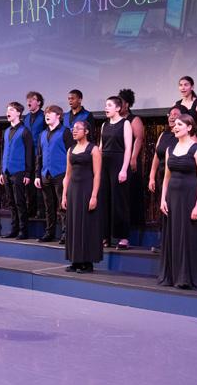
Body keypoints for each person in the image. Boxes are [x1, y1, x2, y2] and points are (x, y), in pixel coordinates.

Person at [158, 114, 197, 289]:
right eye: (175, 125)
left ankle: (186, 277)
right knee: (173, 235)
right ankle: (172, 275)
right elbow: (166, 177)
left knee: (187, 236)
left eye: (180, 124)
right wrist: (162, 199)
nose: (175, 127)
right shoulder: (170, 149)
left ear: (189, 127)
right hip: (172, 198)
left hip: (189, 198)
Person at [62, 120, 102, 273]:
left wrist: (94, 196)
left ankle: (87, 262)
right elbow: (67, 175)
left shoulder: (93, 149)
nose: (74, 130)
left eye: (78, 128)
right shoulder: (70, 150)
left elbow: (97, 174)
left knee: (87, 224)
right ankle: (76, 260)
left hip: (87, 190)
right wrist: (64, 195)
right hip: (73, 191)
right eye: (73, 128)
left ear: (86, 131)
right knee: (74, 224)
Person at [148, 105, 187, 252]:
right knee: (164, 208)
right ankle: (165, 242)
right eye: (170, 114)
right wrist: (152, 176)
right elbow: (156, 156)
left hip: (177, 177)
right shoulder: (163, 135)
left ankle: (177, 243)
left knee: (175, 209)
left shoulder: (184, 136)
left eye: (175, 114)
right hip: (162, 176)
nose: (171, 116)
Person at [34, 105, 74, 244]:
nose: (47, 115)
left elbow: (71, 154)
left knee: (63, 205)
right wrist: (37, 175)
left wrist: (69, 174)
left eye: (50, 113)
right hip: (45, 174)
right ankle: (49, 232)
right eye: (46, 113)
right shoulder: (42, 134)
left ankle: (65, 234)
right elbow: (39, 156)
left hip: (61, 173)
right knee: (48, 206)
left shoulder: (65, 132)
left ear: (58, 116)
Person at [99, 96, 132, 249]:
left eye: (109, 105)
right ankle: (105, 236)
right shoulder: (104, 125)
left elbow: (128, 148)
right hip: (104, 164)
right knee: (104, 200)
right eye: (106, 105)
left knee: (119, 201)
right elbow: (101, 147)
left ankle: (123, 237)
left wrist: (124, 169)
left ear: (118, 108)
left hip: (119, 163)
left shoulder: (125, 123)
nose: (106, 108)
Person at [0, 102, 33, 240]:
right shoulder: (6, 131)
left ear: (18, 113)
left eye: (11, 110)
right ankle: (14, 229)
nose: (8, 112)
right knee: (11, 203)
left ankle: (23, 231)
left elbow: (29, 153)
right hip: (7, 171)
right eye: (7, 110)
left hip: (19, 171)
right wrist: (2, 171)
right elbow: (4, 152)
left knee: (20, 202)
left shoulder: (25, 131)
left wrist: (28, 173)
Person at [118, 88, 145, 228]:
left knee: (130, 192)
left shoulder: (134, 119)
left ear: (127, 104)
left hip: (129, 160)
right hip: (117, 160)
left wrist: (133, 158)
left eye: (120, 103)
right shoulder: (114, 120)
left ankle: (132, 225)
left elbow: (139, 138)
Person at [24, 91, 46, 219]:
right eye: (28, 99)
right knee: (29, 181)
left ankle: (41, 210)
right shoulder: (26, 117)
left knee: (39, 182)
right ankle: (31, 209)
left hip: (40, 153)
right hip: (28, 154)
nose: (29, 101)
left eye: (32, 99)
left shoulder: (44, 116)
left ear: (38, 102)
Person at [175, 76, 197, 145]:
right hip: (179, 143)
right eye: (181, 85)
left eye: (186, 85)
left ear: (192, 87)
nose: (183, 88)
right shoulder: (176, 104)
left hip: (193, 142)